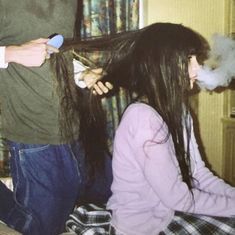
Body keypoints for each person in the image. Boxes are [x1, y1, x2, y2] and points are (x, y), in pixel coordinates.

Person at [100, 22, 235, 235]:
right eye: (189, 59)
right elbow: (180, 199)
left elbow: (199, 173)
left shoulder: (179, 110)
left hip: (167, 215)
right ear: (164, 63)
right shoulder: (143, 120)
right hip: (140, 229)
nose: (198, 68)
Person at [0, 1, 113, 235]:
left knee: (113, 197)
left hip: (75, 127)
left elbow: (59, 53)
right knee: (43, 227)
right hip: (32, 133)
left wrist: (84, 75)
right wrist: (11, 53)